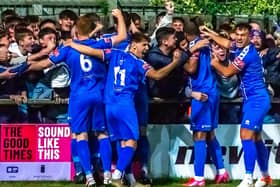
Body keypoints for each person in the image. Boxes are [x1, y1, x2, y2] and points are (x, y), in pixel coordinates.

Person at [65, 32, 183, 187]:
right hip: (125, 105)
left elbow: (91, 52)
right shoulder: (138, 62)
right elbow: (158, 75)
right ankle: (117, 174)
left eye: (148, 45)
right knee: (132, 142)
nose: (146, 48)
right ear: (133, 44)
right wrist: (175, 62)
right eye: (144, 45)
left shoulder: (114, 54)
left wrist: (73, 45)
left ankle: (128, 180)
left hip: (109, 105)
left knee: (122, 142)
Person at [27, 9, 127, 187]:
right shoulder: (98, 44)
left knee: (80, 135)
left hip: (79, 96)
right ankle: (106, 174)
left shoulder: (68, 48)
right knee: (102, 133)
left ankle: (88, 176)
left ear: (76, 31)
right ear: (90, 31)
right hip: (98, 93)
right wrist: (119, 17)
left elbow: (44, 64)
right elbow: (121, 36)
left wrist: (24, 66)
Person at [201, 22, 272, 187]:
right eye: (237, 35)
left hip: (258, 99)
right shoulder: (239, 47)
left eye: (243, 35)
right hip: (251, 99)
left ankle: (248, 178)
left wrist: (213, 63)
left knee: (245, 134)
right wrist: (210, 33)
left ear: (249, 37)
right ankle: (266, 177)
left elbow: (226, 72)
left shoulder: (247, 54)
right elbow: (226, 43)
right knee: (255, 137)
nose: (239, 38)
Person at [183, 18, 229, 187]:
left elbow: (191, 68)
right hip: (213, 91)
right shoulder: (208, 44)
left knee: (199, 135)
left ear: (187, 35)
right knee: (209, 134)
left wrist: (181, 61)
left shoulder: (194, 46)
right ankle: (222, 172)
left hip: (202, 93)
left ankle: (199, 178)